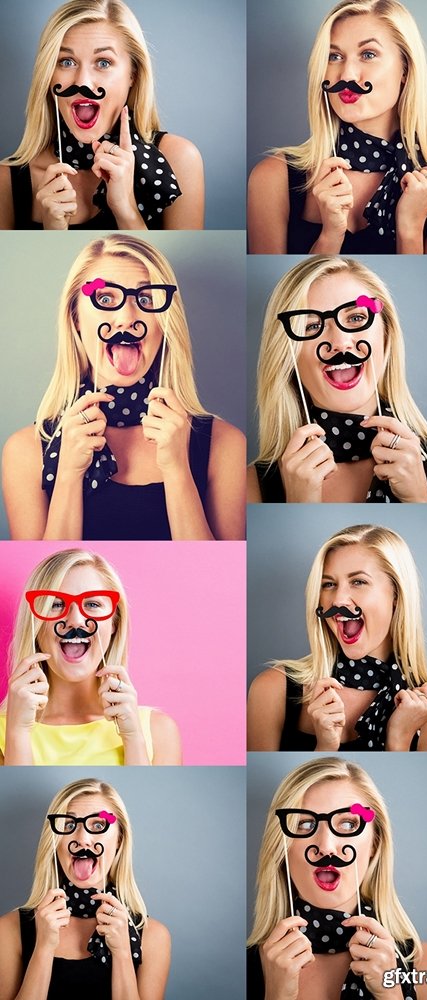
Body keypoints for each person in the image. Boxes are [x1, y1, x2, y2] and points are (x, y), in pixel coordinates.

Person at [2, 233, 246, 540]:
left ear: (165, 321)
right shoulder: (25, 451)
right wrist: (67, 476)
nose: (126, 318)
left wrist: (177, 470)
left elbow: (219, 578)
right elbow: (45, 577)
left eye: (145, 300)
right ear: (76, 317)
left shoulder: (224, 445)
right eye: (104, 299)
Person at [247, 255, 427, 503]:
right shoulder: (250, 486)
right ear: (288, 356)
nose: (340, 343)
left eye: (356, 318)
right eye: (310, 326)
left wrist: (419, 498)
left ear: (386, 334)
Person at [248, 0, 427, 254]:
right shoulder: (272, 178)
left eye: (368, 54)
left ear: (405, 68)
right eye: (334, 56)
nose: (346, 76)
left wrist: (410, 229)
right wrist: (330, 235)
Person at [248, 757, 427, 999]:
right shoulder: (246, 968)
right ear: (282, 848)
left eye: (348, 823)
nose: (326, 847)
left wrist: (391, 995)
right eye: (304, 824)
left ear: (374, 844)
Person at [247, 523, 427, 751]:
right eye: (329, 584)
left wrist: (398, 739)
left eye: (358, 582)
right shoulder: (272, 689)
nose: (338, 600)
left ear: (396, 594)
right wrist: (325, 746)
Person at [0, 0, 204, 230]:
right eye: (66, 62)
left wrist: (126, 209)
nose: (82, 82)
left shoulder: (178, 160)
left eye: (103, 62)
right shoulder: (5, 182)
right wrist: (52, 236)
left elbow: (174, 267)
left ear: (132, 75)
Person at [0, 548, 182, 765]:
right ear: (35, 624)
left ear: (114, 623)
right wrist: (17, 733)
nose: (75, 620)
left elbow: (146, 797)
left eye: (92, 604)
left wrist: (133, 738)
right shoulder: (6, 732)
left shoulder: (158, 732)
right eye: (56, 604)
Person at [0, 777, 170, 999]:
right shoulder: (9, 930)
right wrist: (43, 947)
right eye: (69, 825)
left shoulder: (153, 937)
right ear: (55, 840)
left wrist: (122, 953)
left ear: (119, 838)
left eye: (99, 825)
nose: (83, 839)